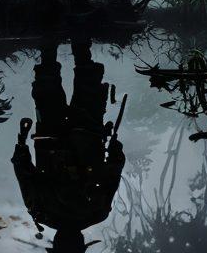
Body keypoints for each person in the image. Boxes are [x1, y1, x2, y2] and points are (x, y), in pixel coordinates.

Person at [11, 41, 126, 252]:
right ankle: (54, 36)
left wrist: (115, 150)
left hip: (83, 132)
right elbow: (23, 171)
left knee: (82, 77)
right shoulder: (41, 212)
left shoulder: (97, 212)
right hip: (57, 134)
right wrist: (21, 145)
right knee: (52, 79)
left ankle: (72, 35)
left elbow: (114, 169)